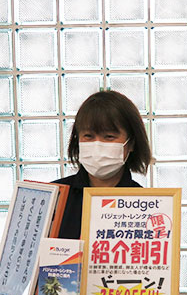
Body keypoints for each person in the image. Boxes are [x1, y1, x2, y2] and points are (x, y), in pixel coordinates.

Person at [53, 90, 152, 240]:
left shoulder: (145, 206)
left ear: (131, 143)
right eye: (88, 136)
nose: (97, 144)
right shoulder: (54, 196)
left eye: (109, 137)